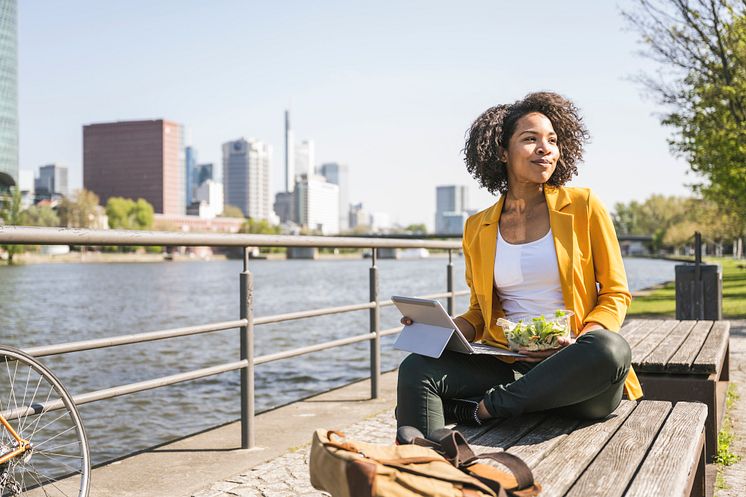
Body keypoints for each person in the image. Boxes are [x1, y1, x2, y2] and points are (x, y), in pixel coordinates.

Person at [396, 92, 642, 436]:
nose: (546, 149)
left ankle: (484, 409)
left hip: (577, 376)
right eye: (531, 139)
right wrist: (440, 330)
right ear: (502, 152)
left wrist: (577, 343)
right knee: (416, 368)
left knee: (610, 348)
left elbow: (616, 294)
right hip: (508, 365)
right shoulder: (477, 227)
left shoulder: (584, 206)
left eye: (552, 140)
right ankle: (423, 466)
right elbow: (481, 314)